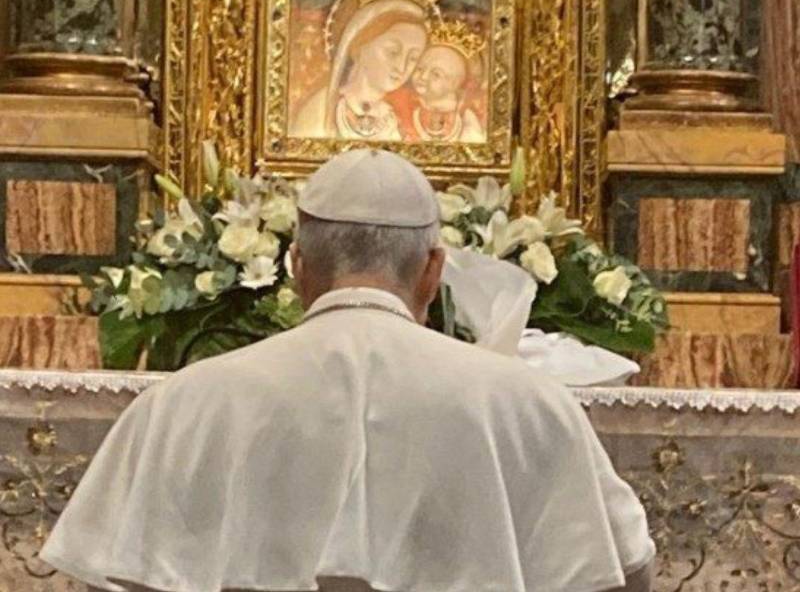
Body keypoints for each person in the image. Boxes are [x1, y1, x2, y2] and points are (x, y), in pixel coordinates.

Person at [39, 149, 655, 592]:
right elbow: (622, 568)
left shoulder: (185, 402)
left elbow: (117, 568)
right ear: (434, 271)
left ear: (298, 266)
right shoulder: (531, 404)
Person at [289, 0, 428, 140]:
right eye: (393, 52)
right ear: (360, 46)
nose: (402, 66)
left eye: (413, 58)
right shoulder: (321, 109)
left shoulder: (402, 119)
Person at [407, 22, 485, 143]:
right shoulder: (404, 106)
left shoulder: (466, 119)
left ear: (454, 84)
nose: (423, 76)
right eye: (420, 68)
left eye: (436, 74)